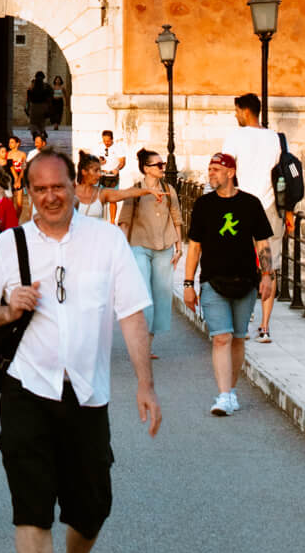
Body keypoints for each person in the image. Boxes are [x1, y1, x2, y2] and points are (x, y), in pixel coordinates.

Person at [0, 148, 160, 553]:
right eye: (39, 189)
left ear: (75, 187)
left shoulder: (107, 241)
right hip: (27, 390)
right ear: (27, 192)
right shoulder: (10, 246)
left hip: (87, 393)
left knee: (93, 505)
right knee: (30, 505)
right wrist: (9, 308)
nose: (50, 197)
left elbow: (133, 315)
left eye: (59, 187)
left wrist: (146, 385)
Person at [183, 151, 274, 417]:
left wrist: (267, 276)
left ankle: (230, 391)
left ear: (230, 173)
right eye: (209, 169)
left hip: (245, 280)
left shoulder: (251, 204)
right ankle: (224, 396)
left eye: (215, 170)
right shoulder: (203, 205)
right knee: (220, 338)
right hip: (213, 280)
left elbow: (263, 243)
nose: (210, 174)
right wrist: (188, 284)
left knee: (237, 339)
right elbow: (194, 247)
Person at [111, 150, 183, 356]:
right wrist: (122, 252)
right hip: (139, 246)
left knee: (161, 297)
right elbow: (125, 221)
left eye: (162, 164)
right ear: (146, 169)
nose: (163, 167)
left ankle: (147, 345)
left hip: (164, 246)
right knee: (144, 295)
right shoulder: (135, 191)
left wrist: (178, 248)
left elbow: (176, 218)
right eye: (158, 165)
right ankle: (139, 342)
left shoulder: (169, 189)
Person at [232, 93, 284, 343]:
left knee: (241, 264)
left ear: (244, 111)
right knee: (268, 266)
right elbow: (275, 165)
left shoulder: (235, 136)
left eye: (236, 111)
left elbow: (226, 170)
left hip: (242, 205)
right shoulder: (274, 138)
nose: (235, 115)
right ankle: (265, 326)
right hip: (269, 205)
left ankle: (244, 317)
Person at [75, 152, 106, 219]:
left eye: (100, 171)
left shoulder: (101, 193)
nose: (99, 174)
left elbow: (126, 193)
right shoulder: (70, 193)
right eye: (96, 171)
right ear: (84, 172)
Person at [6, 134, 28, 201]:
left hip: (20, 176)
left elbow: (24, 167)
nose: (9, 144)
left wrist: (19, 179)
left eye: (12, 142)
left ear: (17, 143)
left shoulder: (23, 154)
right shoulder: (7, 154)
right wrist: (16, 179)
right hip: (10, 176)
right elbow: (11, 167)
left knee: (19, 202)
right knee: (10, 200)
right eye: (9, 142)